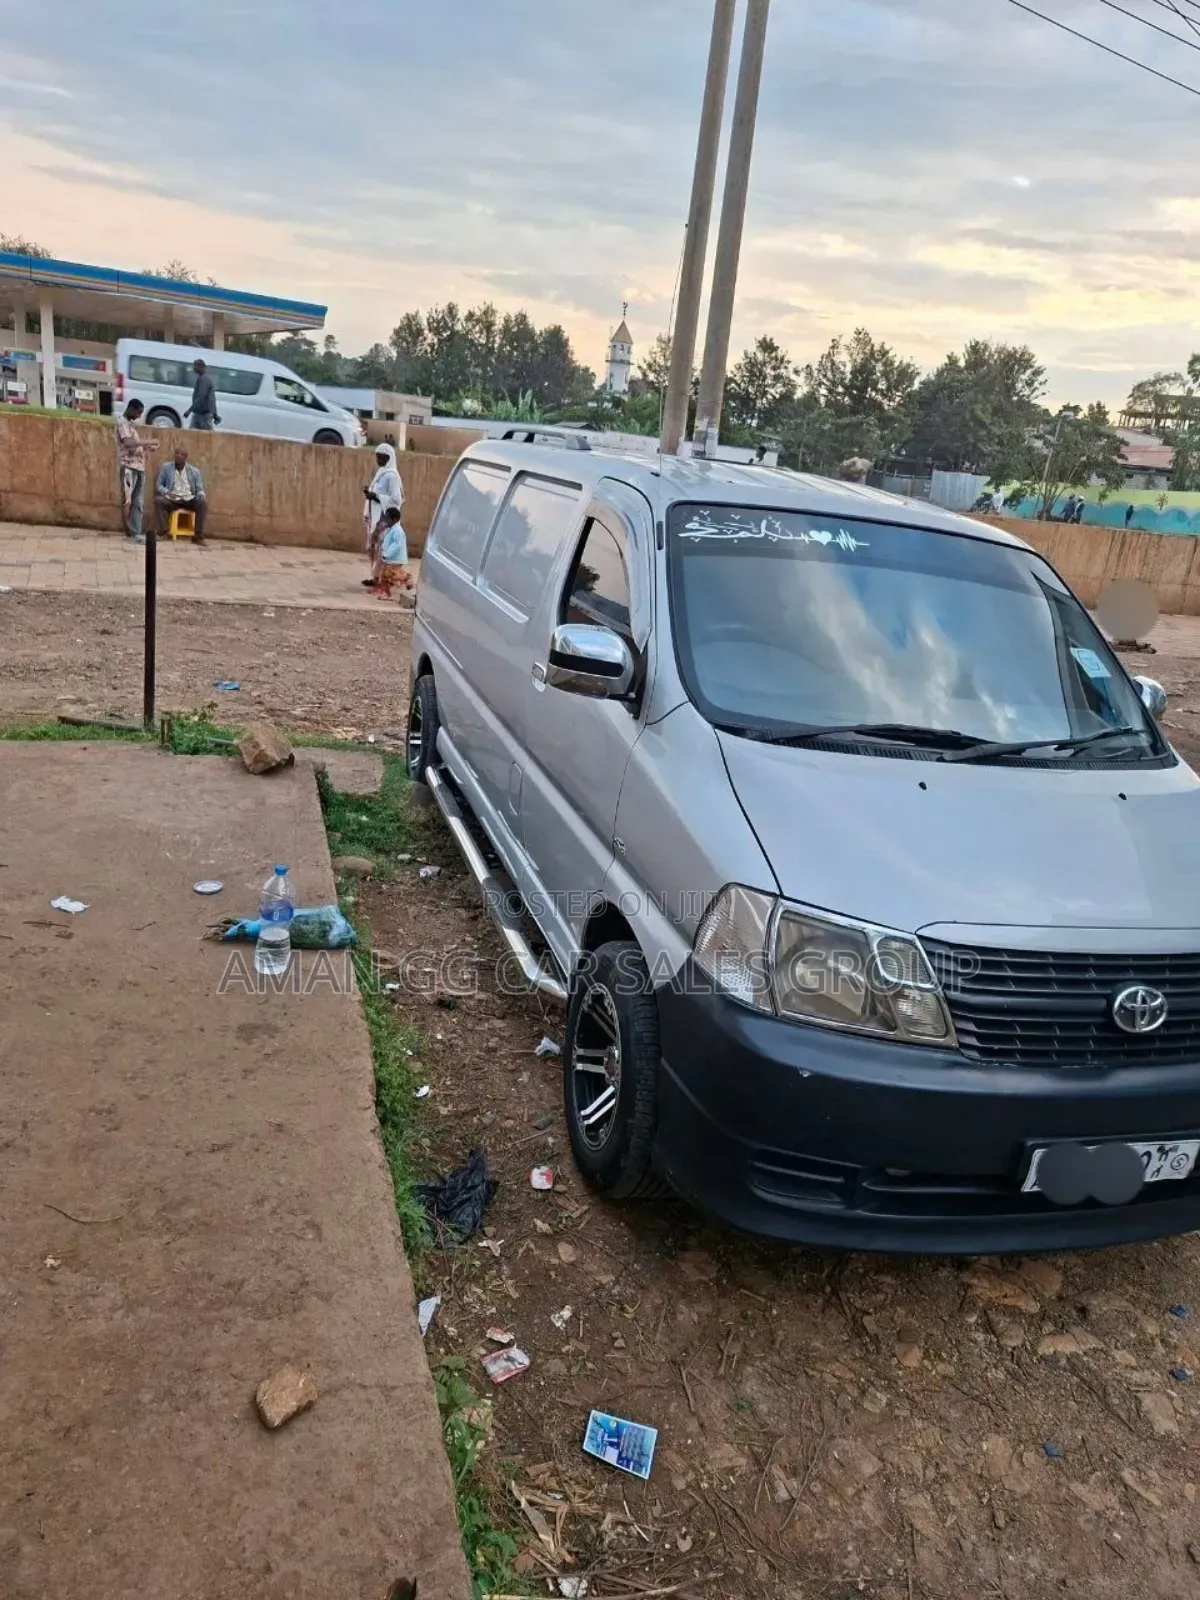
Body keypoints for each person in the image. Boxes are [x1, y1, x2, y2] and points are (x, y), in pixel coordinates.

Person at [114, 398, 161, 543]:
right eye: (138, 412)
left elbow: (134, 445)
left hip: (138, 467)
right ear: (131, 408)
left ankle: (135, 532)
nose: (139, 416)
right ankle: (132, 532)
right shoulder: (122, 422)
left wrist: (147, 448)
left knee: (138, 502)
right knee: (129, 501)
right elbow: (128, 443)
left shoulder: (131, 425)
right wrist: (149, 441)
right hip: (129, 468)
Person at [363, 442, 404, 587]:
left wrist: (376, 497)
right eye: (377, 456)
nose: (378, 460)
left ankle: (378, 579)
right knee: (372, 548)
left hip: (384, 519)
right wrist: (370, 494)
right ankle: (374, 576)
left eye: (381, 457)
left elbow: (396, 499)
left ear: (389, 458)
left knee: (382, 549)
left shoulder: (392, 476)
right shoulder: (381, 473)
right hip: (375, 517)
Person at [155, 447, 207, 543]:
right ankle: (164, 532)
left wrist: (201, 494)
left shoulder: (194, 471)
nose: (178, 456)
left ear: (186, 457)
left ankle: (198, 536)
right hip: (173, 498)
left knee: (202, 503)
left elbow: (200, 488)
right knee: (158, 500)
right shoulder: (166, 468)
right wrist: (166, 492)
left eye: (181, 454)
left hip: (188, 498)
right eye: (177, 453)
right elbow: (159, 485)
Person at [373, 506, 415, 600]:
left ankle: (407, 577)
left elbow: (397, 545)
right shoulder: (389, 529)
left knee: (390, 574)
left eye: (387, 518)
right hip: (388, 558)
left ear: (394, 519)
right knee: (383, 576)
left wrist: (387, 554)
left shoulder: (398, 531)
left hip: (395, 558)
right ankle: (387, 594)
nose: (385, 520)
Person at [185, 358, 220, 431]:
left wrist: (189, 410)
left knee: (208, 435)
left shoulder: (204, 379)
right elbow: (212, 398)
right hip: (199, 413)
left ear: (200, 367)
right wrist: (215, 414)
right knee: (192, 433)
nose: (194, 368)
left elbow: (201, 397)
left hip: (203, 414)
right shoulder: (202, 378)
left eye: (195, 366)